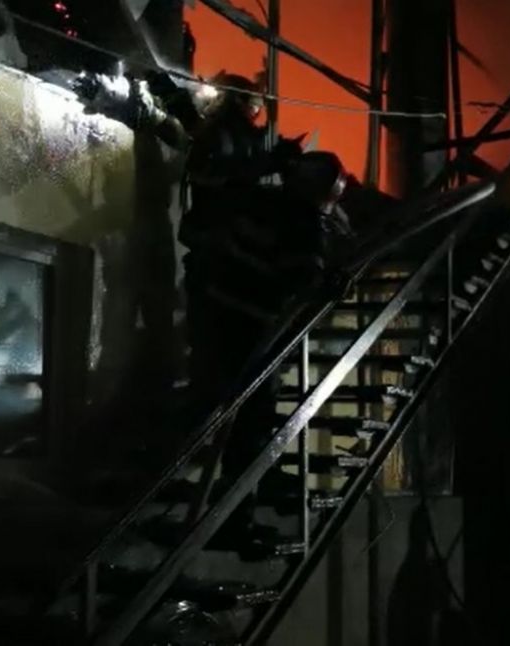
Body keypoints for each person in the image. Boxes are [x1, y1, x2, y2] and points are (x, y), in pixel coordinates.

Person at [179, 74, 323, 552]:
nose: (256, 110)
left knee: (238, 408)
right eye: (253, 102)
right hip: (228, 296)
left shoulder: (259, 180)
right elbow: (213, 179)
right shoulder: (221, 140)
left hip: (236, 301)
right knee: (233, 406)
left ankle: (236, 486)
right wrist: (267, 163)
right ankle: (219, 497)